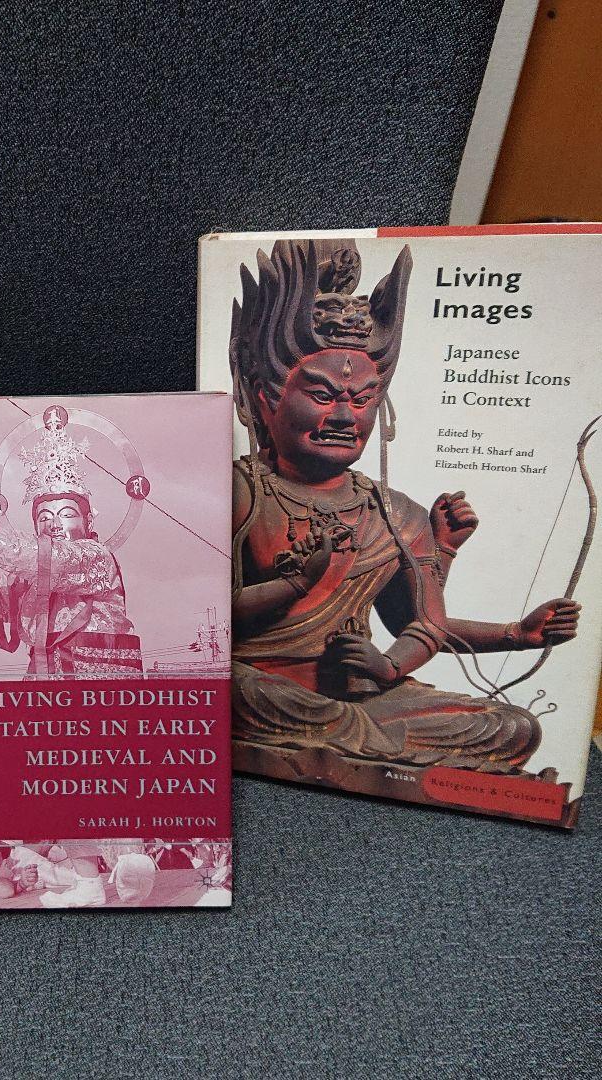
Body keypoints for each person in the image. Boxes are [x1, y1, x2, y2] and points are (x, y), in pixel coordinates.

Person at [229, 239, 580, 771]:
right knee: (230, 690)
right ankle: (355, 743)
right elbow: (202, 620)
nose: (344, 416)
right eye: (322, 396)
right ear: (265, 395)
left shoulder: (396, 513)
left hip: (359, 696)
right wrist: (294, 584)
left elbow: (419, 624)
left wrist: (513, 634)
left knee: (512, 726)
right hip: (263, 688)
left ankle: (352, 742)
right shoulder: (241, 491)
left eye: (362, 399)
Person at [0, 410, 142, 674]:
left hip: (100, 690)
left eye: (66, 515)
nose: (54, 525)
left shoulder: (96, 559)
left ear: (88, 521)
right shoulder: (30, 581)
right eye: (44, 517)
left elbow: (55, 559)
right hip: (42, 688)